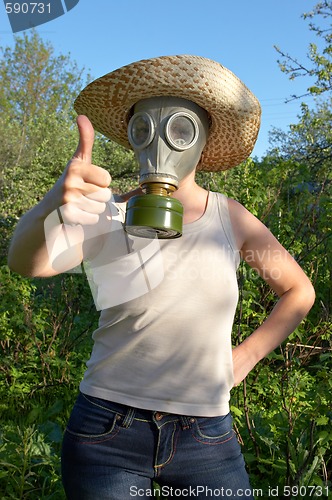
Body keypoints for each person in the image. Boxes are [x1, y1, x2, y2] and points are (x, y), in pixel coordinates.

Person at [7, 55, 315, 499]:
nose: (160, 146)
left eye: (180, 129)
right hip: (106, 431)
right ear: (132, 137)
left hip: (205, 435)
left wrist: (245, 357)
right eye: (144, 129)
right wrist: (50, 205)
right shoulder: (105, 213)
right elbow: (26, 263)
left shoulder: (230, 219)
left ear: (204, 139)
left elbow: (298, 290)